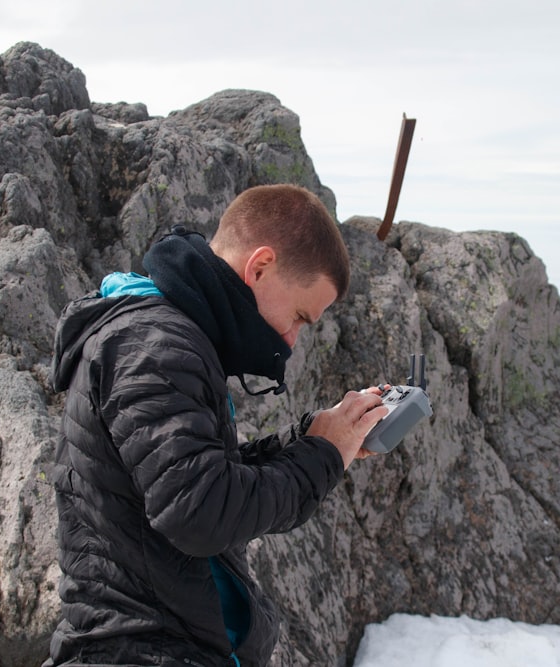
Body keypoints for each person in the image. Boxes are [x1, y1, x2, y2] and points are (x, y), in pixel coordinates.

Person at [45, 184, 388, 666]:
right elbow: (200, 511)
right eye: (298, 317)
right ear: (260, 266)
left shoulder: (174, 340)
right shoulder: (153, 347)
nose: (290, 341)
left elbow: (198, 478)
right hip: (137, 649)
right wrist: (322, 457)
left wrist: (313, 440)